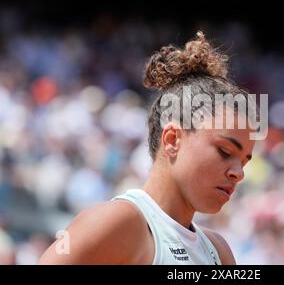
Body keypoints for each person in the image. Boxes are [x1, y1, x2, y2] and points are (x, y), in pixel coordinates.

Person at [38, 31, 256, 265]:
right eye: (225, 152)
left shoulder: (219, 251)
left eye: (244, 161)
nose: (239, 173)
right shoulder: (117, 222)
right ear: (172, 140)